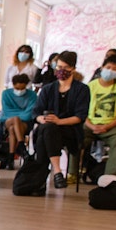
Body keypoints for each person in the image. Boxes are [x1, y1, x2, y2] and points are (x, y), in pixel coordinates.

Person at [32, 50, 90, 189]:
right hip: (49, 128)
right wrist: (42, 119)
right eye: (58, 67)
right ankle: (58, 173)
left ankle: (40, 178)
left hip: (70, 131)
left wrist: (59, 121)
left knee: (45, 132)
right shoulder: (48, 89)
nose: (61, 71)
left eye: (65, 68)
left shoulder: (82, 89)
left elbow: (80, 116)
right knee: (47, 128)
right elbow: (36, 112)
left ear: (73, 69)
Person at [85, 53, 116, 175]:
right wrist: (91, 125)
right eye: (108, 67)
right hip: (90, 124)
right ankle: (72, 172)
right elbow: (81, 110)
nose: (110, 71)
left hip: (112, 126)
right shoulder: (90, 86)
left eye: (114, 69)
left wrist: (108, 126)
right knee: (74, 135)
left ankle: (110, 176)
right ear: (102, 68)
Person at [0, 73, 38, 169]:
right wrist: (19, 115)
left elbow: (29, 114)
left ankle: (10, 158)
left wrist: (17, 115)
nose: (19, 91)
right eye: (17, 88)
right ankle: (21, 146)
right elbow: (7, 111)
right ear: (13, 85)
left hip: (24, 123)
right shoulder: (6, 94)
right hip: (7, 120)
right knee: (15, 120)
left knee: (13, 128)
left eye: (22, 89)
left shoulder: (32, 95)